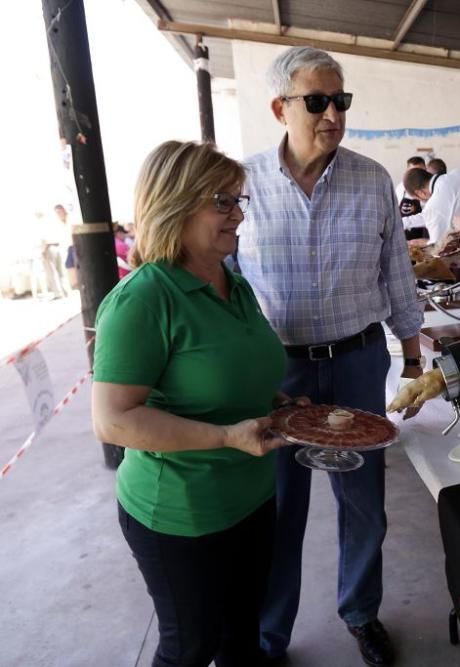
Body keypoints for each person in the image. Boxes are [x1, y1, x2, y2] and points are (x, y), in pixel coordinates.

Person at [237, 46, 423, 666]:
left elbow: (398, 272)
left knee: (364, 502)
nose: (332, 115)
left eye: (339, 101)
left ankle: (361, 613)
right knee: (280, 507)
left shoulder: (373, 179)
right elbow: (226, 280)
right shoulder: (243, 184)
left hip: (357, 360)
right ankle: (270, 635)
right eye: (316, 101)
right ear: (279, 107)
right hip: (277, 369)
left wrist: (416, 356)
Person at [91, 140, 292, 666]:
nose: (238, 214)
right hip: (181, 515)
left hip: (251, 498)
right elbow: (113, 420)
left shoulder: (234, 284)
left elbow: (233, 370)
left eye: (238, 200)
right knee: (190, 647)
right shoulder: (142, 299)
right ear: (175, 205)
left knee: (241, 639)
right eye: (221, 202)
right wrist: (226, 436)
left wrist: (280, 402)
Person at [402, 166, 460, 243]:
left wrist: (424, 243)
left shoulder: (433, 205)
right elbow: (428, 216)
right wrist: (403, 223)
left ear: (421, 193)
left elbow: (437, 247)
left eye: (418, 199)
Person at [395, 157, 429, 241]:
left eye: (420, 171)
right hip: (404, 235)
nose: (417, 176)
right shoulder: (400, 188)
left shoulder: (430, 189)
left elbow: (428, 216)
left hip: (425, 233)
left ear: (426, 170)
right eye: (413, 172)